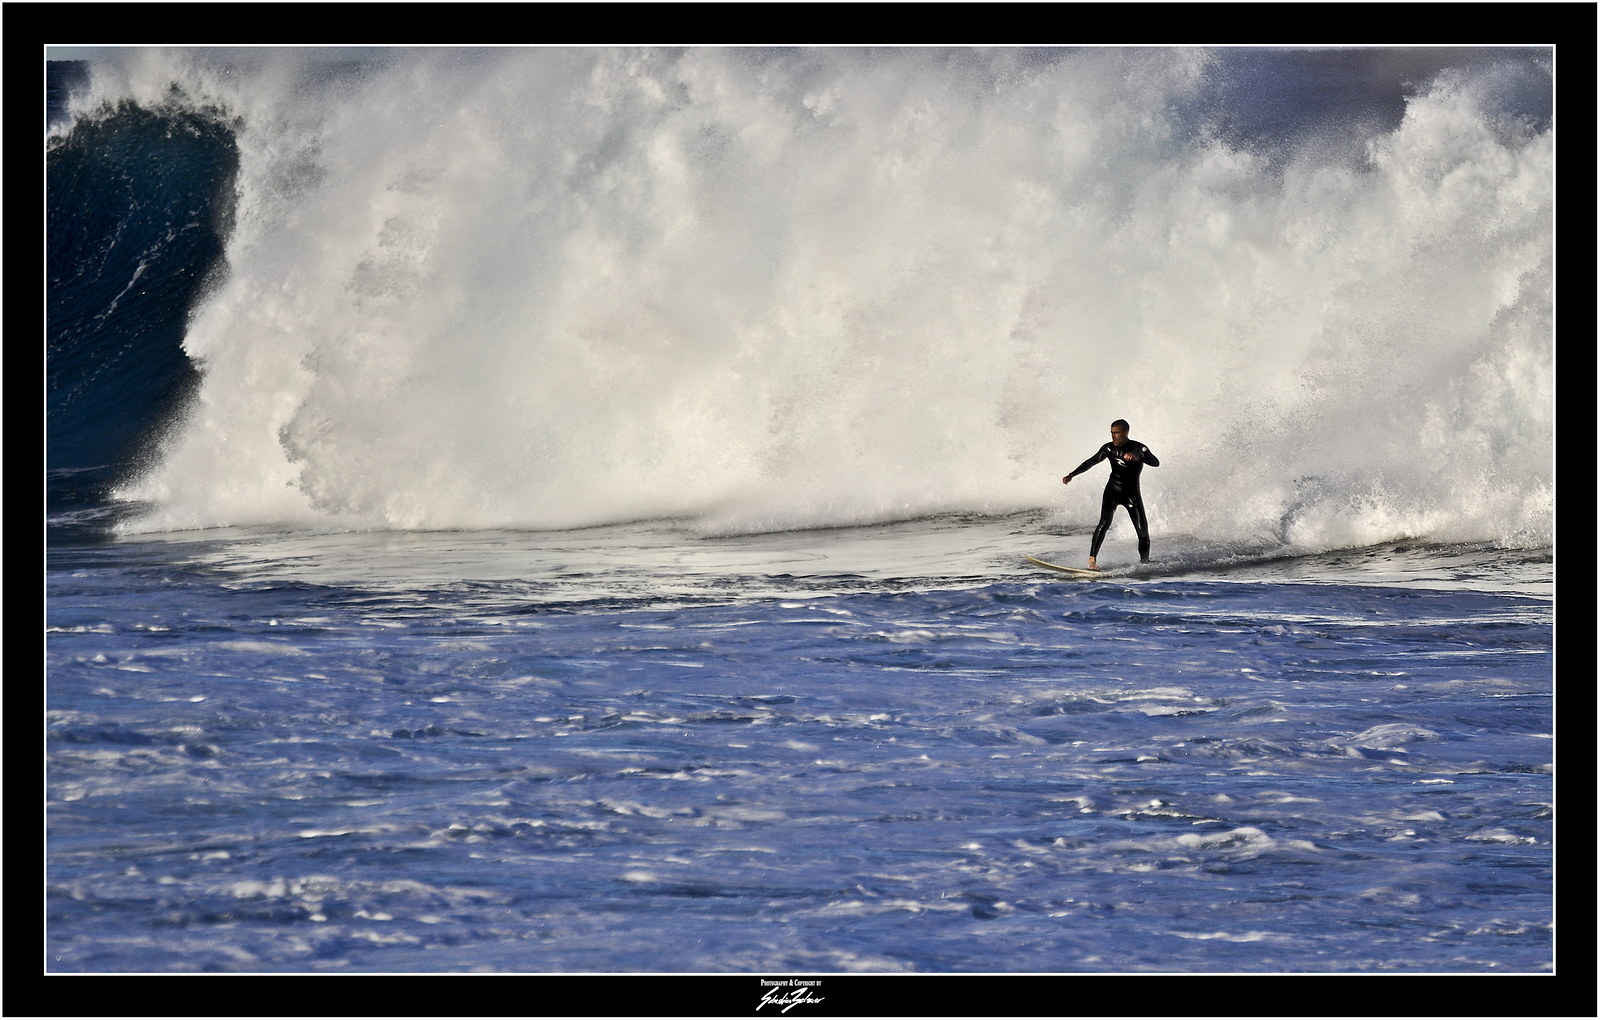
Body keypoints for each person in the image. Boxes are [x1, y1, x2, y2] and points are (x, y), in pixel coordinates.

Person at [1062, 419, 1158, 569]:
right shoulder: (1108, 448)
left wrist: (1138, 458)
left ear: (1126, 433)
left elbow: (1155, 462)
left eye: (1117, 433)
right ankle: (1092, 561)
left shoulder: (1139, 448)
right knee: (1104, 522)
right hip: (1112, 490)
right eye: (1112, 433)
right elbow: (1090, 462)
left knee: (1142, 531)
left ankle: (1144, 562)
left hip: (1132, 494)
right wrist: (1072, 474)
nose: (1113, 437)